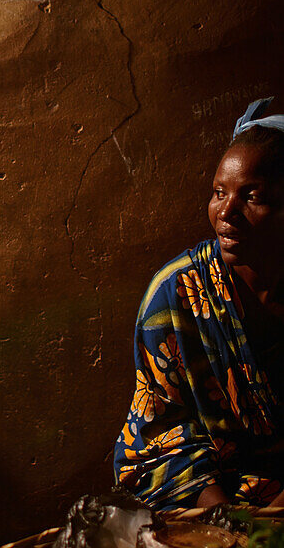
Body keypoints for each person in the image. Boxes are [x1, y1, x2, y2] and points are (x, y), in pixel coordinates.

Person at [114, 97, 284, 510]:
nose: (226, 212)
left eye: (252, 196)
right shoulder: (176, 295)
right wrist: (227, 528)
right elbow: (160, 438)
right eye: (218, 192)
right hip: (216, 499)